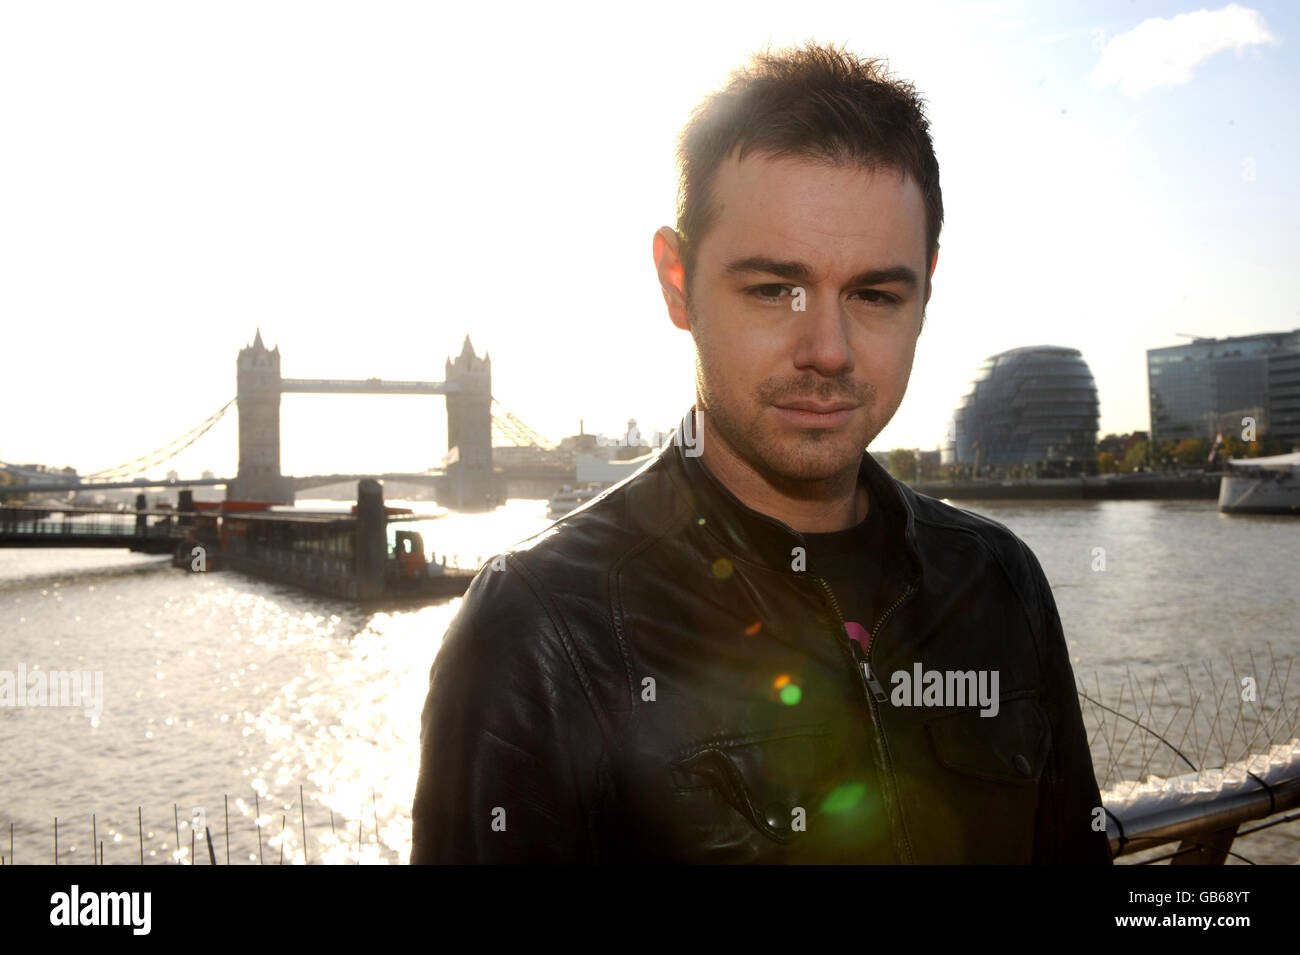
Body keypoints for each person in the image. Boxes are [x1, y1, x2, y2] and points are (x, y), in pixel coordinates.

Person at [411, 42, 1111, 864]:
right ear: (678, 282)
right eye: (775, 289)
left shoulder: (1002, 581)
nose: (828, 350)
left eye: (874, 294)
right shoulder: (541, 627)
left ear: (926, 287)